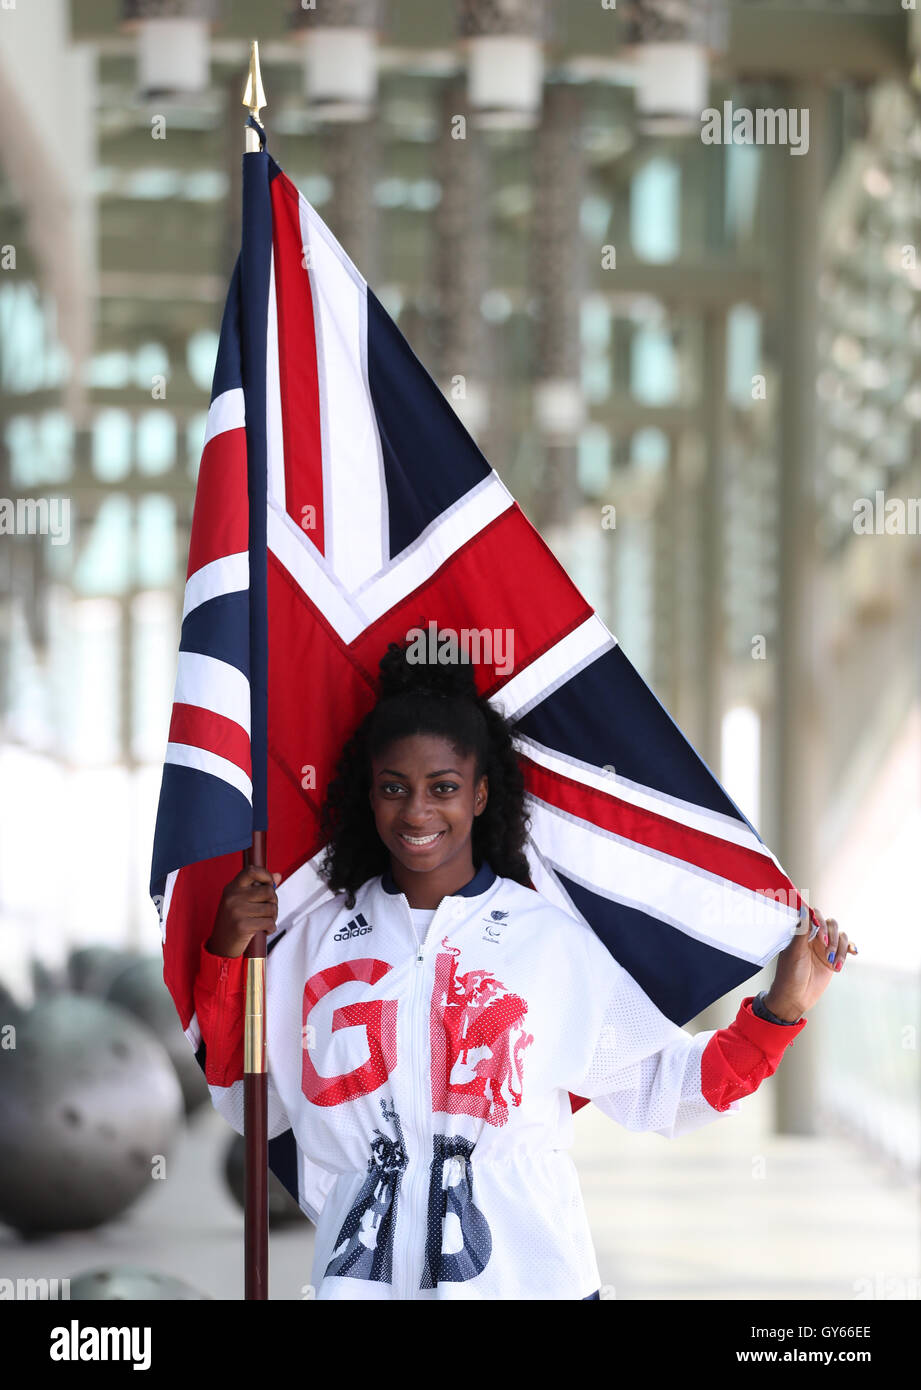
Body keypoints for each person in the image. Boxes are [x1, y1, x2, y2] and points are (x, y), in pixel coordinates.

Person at [194, 639, 853, 1301]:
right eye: (394, 788)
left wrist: (781, 1010)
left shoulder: (549, 945)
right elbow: (243, 1093)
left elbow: (665, 1090)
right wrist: (227, 955)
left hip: (531, 1282)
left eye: (443, 788)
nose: (417, 811)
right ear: (368, 797)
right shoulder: (317, 941)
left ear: (480, 795)